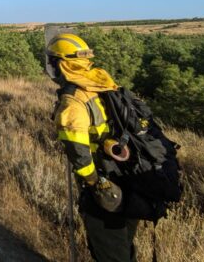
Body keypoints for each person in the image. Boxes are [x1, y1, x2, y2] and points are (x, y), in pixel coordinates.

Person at [48, 33, 138, 262]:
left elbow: (78, 153)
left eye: (52, 61)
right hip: (130, 175)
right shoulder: (102, 81)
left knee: (110, 250)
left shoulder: (73, 100)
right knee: (123, 244)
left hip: (107, 182)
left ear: (61, 64)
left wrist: (94, 184)